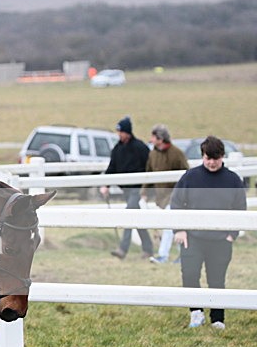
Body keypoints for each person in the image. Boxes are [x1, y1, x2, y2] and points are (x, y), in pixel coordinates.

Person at [170, 136, 247, 330]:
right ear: (202, 156)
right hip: (193, 238)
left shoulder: (232, 180)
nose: (212, 162)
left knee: (217, 279)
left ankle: (217, 318)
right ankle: (196, 313)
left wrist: (232, 234)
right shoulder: (190, 177)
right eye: (208, 158)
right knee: (189, 274)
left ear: (222, 156)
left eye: (216, 158)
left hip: (221, 239)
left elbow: (240, 209)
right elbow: (177, 203)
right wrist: (179, 229)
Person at [100, 116, 153, 259]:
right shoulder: (117, 149)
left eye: (121, 132)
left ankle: (123, 249)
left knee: (128, 214)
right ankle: (148, 248)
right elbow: (112, 168)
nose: (119, 135)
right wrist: (106, 184)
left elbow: (150, 166)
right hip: (126, 190)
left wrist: (147, 188)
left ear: (127, 132)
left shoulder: (140, 148)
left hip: (137, 189)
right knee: (136, 218)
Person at [142, 124, 189, 264]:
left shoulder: (177, 154)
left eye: (153, 137)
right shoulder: (153, 154)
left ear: (160, 139)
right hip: (161, 197)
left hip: (175, 196)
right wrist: (144, 192)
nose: (151, 140)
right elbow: (149, 174)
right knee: (172, 226)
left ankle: (164, 255)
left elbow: (186, 174)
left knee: (170, 226)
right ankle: (181, 255)